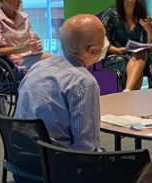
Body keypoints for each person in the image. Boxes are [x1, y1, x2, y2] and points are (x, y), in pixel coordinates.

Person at [14, 14, 105, 152]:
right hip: (59, 166)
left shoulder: (38, 67)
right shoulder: (84, 82)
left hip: (22, 162)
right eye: (103, 40)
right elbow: (85, 149)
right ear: (92, 50)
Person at [100, 0, 152, 90]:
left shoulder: (142, 15)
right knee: (139, 70)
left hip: (136, 55)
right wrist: (118, 50)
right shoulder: (110, 14)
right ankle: (130, 96)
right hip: (115, 55)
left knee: (142, 53)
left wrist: (150, 30)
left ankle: (127, 92)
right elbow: (100, 42)